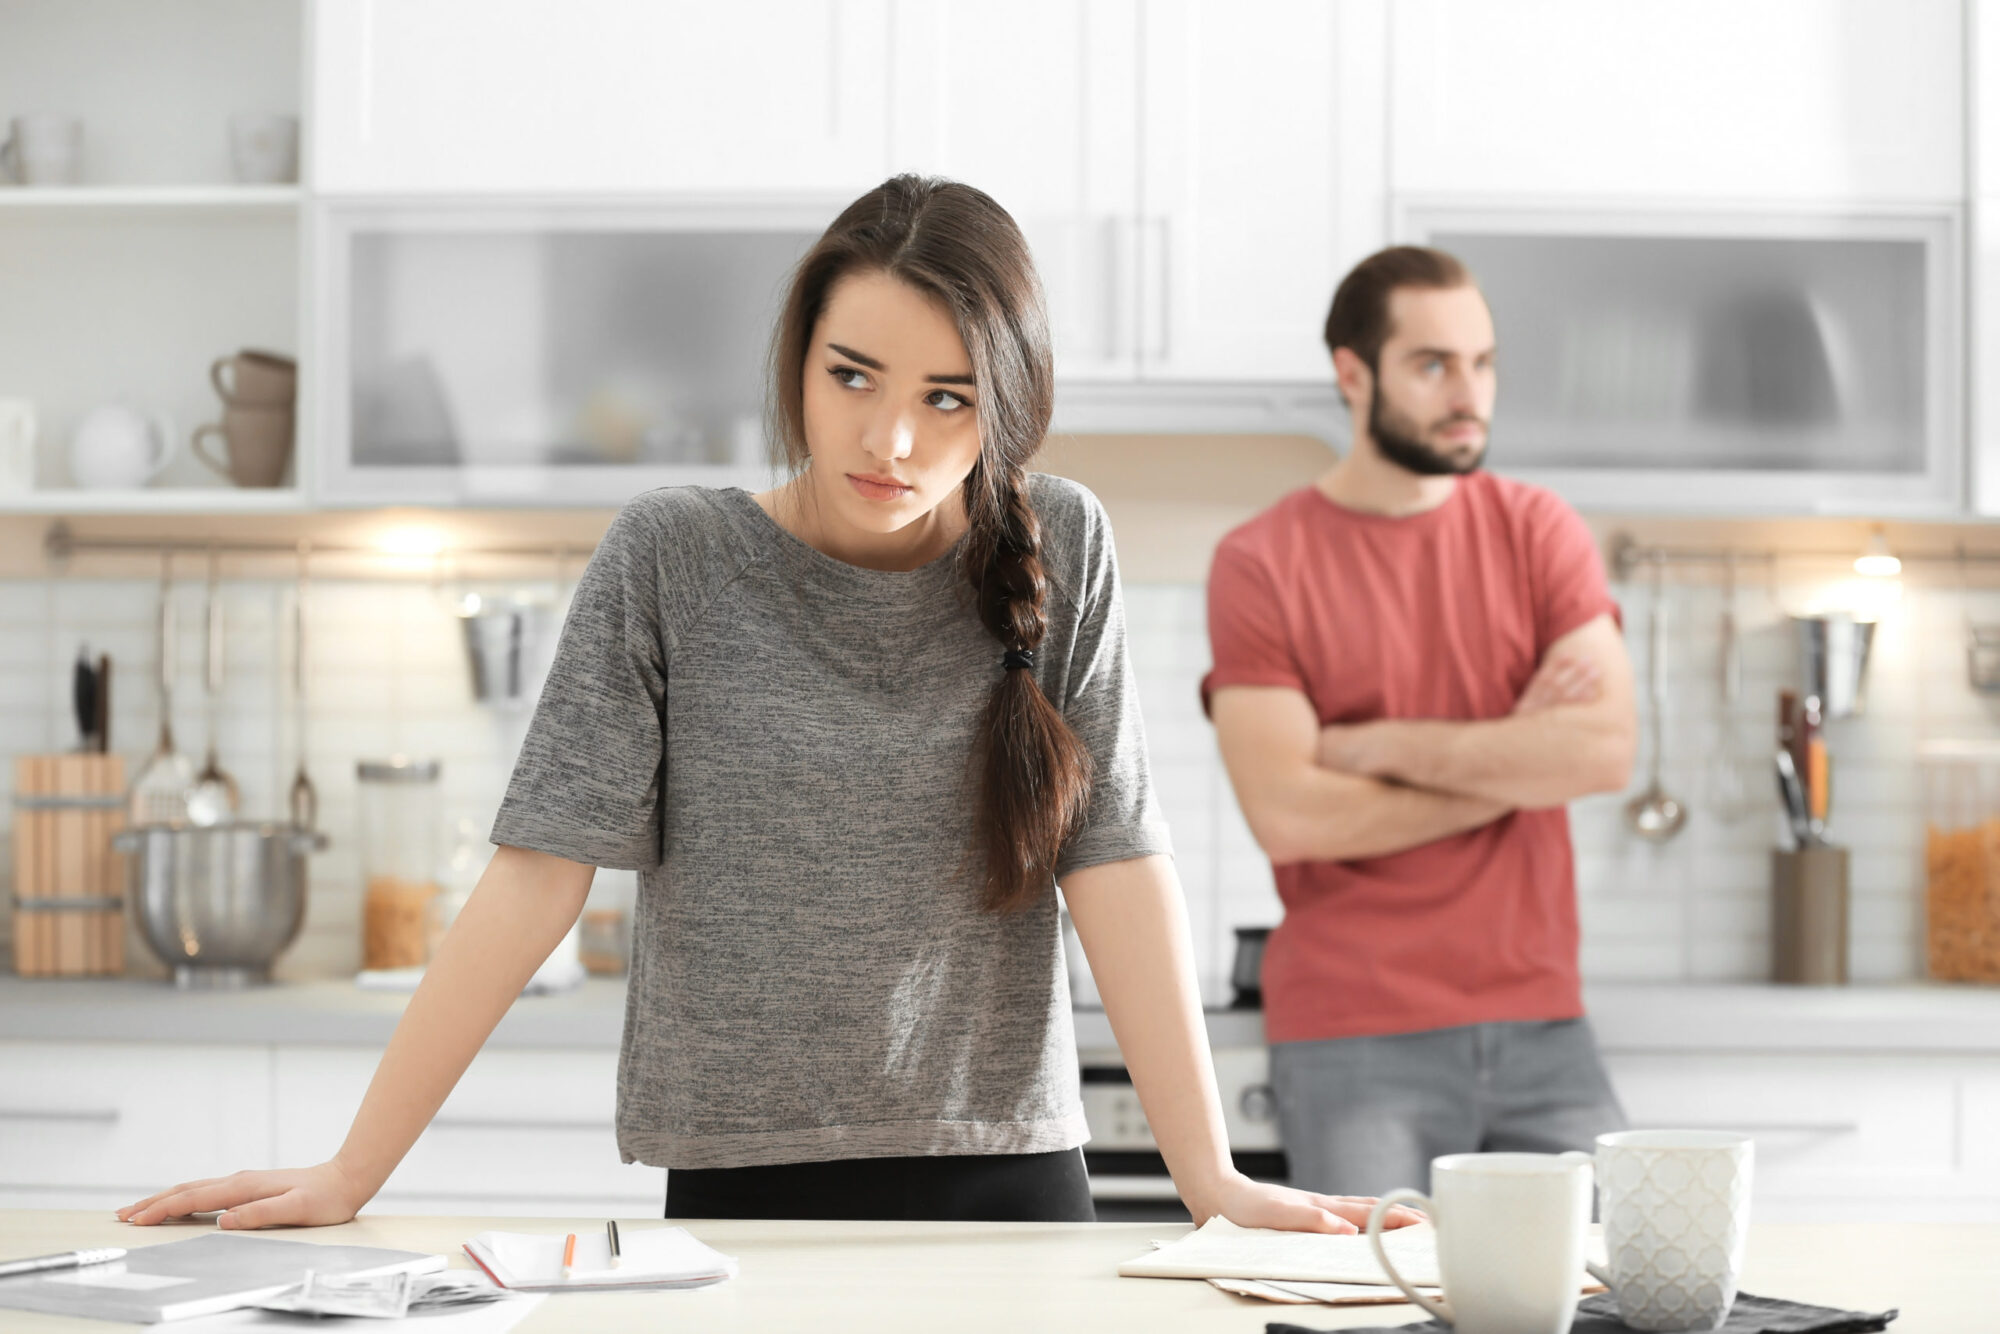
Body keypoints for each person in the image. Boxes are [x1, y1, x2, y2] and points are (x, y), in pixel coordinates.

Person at [118, 177, 1425, 1234]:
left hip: (1010, 1179)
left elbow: (1117, 860)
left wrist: (1213, 1180)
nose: (890, 440)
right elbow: (538, 872)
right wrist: (355, 1168)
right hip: (745, 1186)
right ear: (799, 358)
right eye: (853, 376)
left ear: (1004, 408)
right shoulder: (673, 557)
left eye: (945, 399)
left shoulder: (1063, 543)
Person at [1202, 245, 1639, 1199]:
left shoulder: (1540, 531)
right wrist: (1515, 763)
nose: (1468, 392)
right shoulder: (1260, 562)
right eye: (1433, 364)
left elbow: (1603, 750)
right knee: (1378, 1311)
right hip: (1355, 1034)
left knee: (1613, 1295)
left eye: (1482, 363)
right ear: (1352, 374)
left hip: (1544, 1025)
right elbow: (1292, 816)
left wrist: (1377, 747)